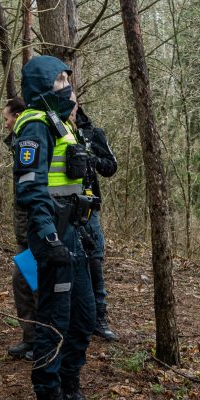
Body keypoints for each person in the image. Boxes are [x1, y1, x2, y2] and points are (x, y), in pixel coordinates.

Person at [12, 55, 103, 400]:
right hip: (53, 235)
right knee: (54, 320)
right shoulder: (33, 126)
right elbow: (31, 188)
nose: (68, 85)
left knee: (84, 315)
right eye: (60, 80)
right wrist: (48, 237)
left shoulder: (59, 123)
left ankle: (70, 389)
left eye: (68, 78)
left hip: (75, 231)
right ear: (43, 86)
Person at [75, 107, 119, 341]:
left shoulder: (92, 134)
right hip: (58, 207)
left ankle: (99, 319)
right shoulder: (50, 129)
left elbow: (111, 167)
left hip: (89, 208)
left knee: (94, 262)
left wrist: (91, 159)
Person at [3, 97, 36, 362]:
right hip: (24, 232)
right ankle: (31, 339)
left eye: (7, 119)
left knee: (31, 283)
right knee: (21, 282)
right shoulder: (19, 143)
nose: (5, 126)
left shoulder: (32, 141)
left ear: (18, 115)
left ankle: (42, 341)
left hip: (35, 230)